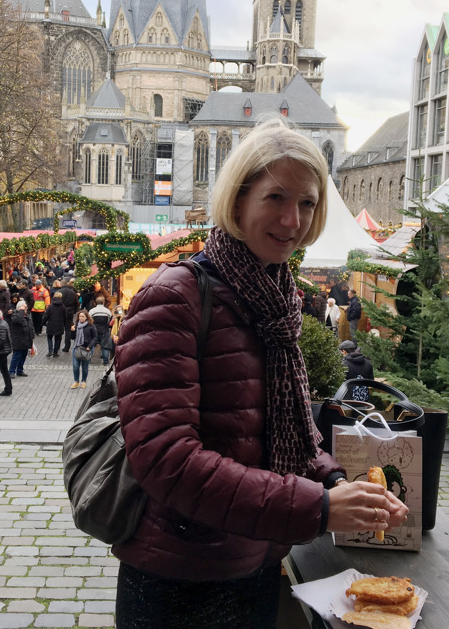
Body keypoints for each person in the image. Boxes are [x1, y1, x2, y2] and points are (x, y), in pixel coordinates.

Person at [113, 118, 408, 629]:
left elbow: (284, 434)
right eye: (276, 198)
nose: (292, 219)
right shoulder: (175, 296)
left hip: (257, 564)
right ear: (238, 199)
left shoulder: (275, 299)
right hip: (181, 580)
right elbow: (165, 460)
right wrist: (318, 508)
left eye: (308, 203)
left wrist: (339, 484)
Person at [70, 309, 96, 390]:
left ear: (86, 317)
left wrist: (90, 346)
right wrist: (72, 331)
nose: (81, 318)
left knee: (85, 366)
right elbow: (72, 338)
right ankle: (76, 381)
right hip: (77, 347)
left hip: (86, 348)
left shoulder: (91, 326)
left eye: (83, 316)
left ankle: (84, 381)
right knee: (75, 366)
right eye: (80, 316)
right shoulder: (76, 326)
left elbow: (95, 337)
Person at [8, 300, 35, 378]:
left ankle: (20, 370)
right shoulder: (15, 315)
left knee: (23, 355)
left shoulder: (27, 316)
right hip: (18, 340)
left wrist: (32, 337)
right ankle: (11, 371)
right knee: (16, 356)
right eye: (24, 306)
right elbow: (17, 320)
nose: (26, 307)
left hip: (26, 340)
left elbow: (31, 327)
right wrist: (21, 311)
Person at [41, 291, 67, 358]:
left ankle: (50, 350)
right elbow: (65, 317)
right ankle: (55, 352)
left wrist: (42, 323)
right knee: (58, 339)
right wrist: (64, 325)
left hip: (51, 324)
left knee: (49, 337)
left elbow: (46, 316)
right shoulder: (63, 307)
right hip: (59, 325)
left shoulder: (51, 306)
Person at [89, 296, 113, 366]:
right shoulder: (107, 311)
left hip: (94, 330)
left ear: (96, 303)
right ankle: (105, 360)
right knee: (104, 345)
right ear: (103, 303)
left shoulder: (92, 311)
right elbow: (109, 320)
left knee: (92, 345)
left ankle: (89, 359)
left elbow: (90, 320)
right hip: (104, 330)